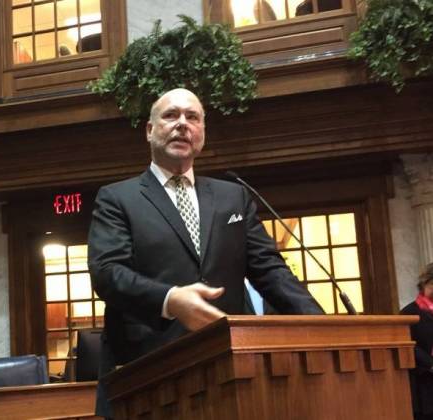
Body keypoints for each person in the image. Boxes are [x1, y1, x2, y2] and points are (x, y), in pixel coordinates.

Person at [88, 88, 324, 418]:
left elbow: (270, 270)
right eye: (170, 116)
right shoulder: (117, 198)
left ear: (202, 133)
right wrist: (170, 300)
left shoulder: (234, 197)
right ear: (149, 130)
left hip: (227, 371)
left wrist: (322, 326)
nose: (182, 124)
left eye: (192, 117)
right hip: (146, 375)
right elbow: (108, 272)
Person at [401, 263, 433, 420]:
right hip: (424, 387)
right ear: (426, 283)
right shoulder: (408, 313)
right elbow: (406, 345)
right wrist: (430, 364)